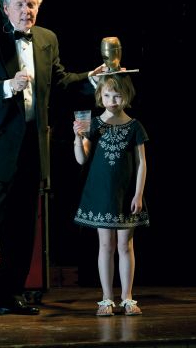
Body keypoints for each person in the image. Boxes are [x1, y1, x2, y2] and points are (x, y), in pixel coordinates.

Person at [0, 0, 105, 324]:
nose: (27, 11)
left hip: (31, 147)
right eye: (21, 4)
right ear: (5, 7)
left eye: (32, 5)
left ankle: (9, 295)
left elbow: (58, 80)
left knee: (23, 227)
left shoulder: (47, 39)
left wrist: (90, 79)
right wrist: (9, 86)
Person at [73, 73, 149, 316]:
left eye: (117, 95)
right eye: (107, 95)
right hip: (101, 194)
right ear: (100, 96)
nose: (112, 100)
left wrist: (138, 194)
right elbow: (82, 159)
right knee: (105, 245)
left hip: (126, 194)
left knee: (125, 246)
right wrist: (78, 137)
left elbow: (141, 163)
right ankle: (107, 299)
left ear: (126, 96)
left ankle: (127, 297)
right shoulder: (94, 125)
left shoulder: (134, 126)